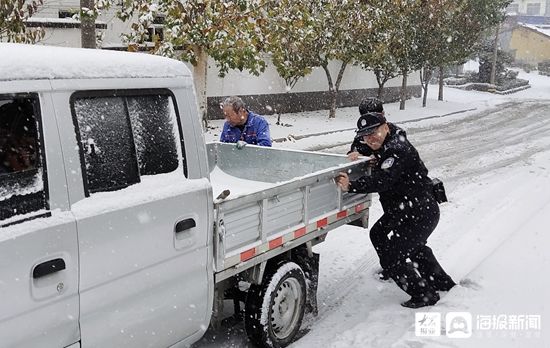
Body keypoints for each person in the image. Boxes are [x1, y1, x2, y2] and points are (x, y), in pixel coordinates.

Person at [336, 110, 455, 308]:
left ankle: (424, 295)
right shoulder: (387, 141)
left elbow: (384, 180)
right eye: (365, 135)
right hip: (402, 210)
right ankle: (441, 281)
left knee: (394, 257)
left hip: (419, 212)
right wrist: (361, 153)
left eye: (374, 133)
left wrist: (351, 186)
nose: (370, 139)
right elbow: (372, 151)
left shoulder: (397, 149)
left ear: (385, 127)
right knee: (379, 234)